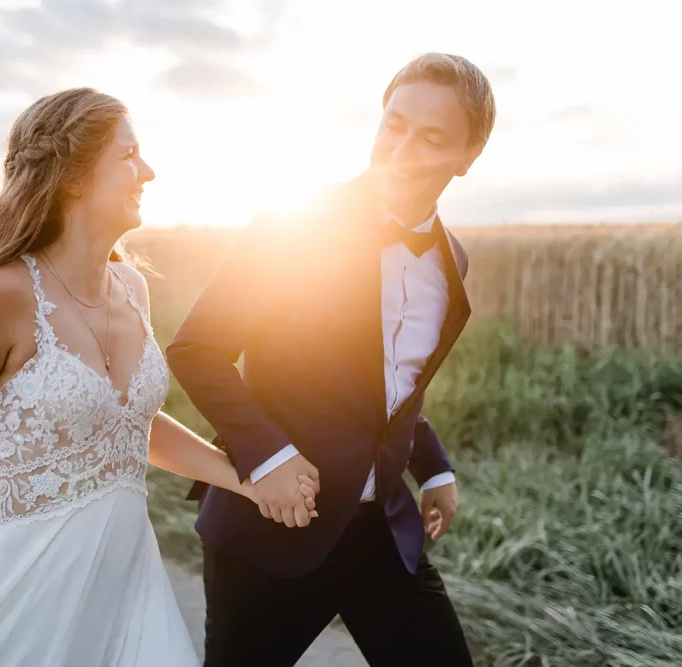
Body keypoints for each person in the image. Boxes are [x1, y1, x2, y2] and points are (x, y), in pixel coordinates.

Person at [0, 88, 318, 667]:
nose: (148, 172)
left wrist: (249, 479)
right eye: (128, 155)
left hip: (126, 590)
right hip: (21, 592)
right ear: (75, 178)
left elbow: (127, 423)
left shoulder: (131, 289)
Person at [166, 52, 496, 666]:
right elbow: (197, 350)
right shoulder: (297, 225)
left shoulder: (452, 258)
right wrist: (270, 456)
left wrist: (434, 468)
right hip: (271, 529)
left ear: (468, 156)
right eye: (395, 125)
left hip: (384, 534)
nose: (403, 150)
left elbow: (392, 386)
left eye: (431, 139)